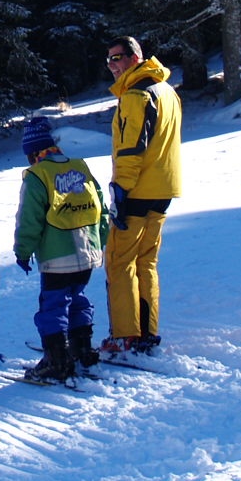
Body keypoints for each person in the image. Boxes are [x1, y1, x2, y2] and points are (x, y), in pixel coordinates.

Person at [102, 35, 183, 356]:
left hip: (137, 191)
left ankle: (125, 335)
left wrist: (120, 190)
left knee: (120, 263)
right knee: (146, 262)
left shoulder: (137, 95)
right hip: (163, 190)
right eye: (108, 60)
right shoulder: (167, 91)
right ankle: (146, 332)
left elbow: (130, 149)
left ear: (136, 58)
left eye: (118, 58)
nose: (112, 66)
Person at [14, 116, 107, 382]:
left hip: (58, 258)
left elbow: (29, 220)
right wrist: (101, 240)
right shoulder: (81, 167)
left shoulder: (37, 176)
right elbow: (101, 209)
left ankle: (56, 360)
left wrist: (22, 251)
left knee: (52, 306)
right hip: (88, 254)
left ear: (32, 152)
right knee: (77, 297)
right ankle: (83, 349)